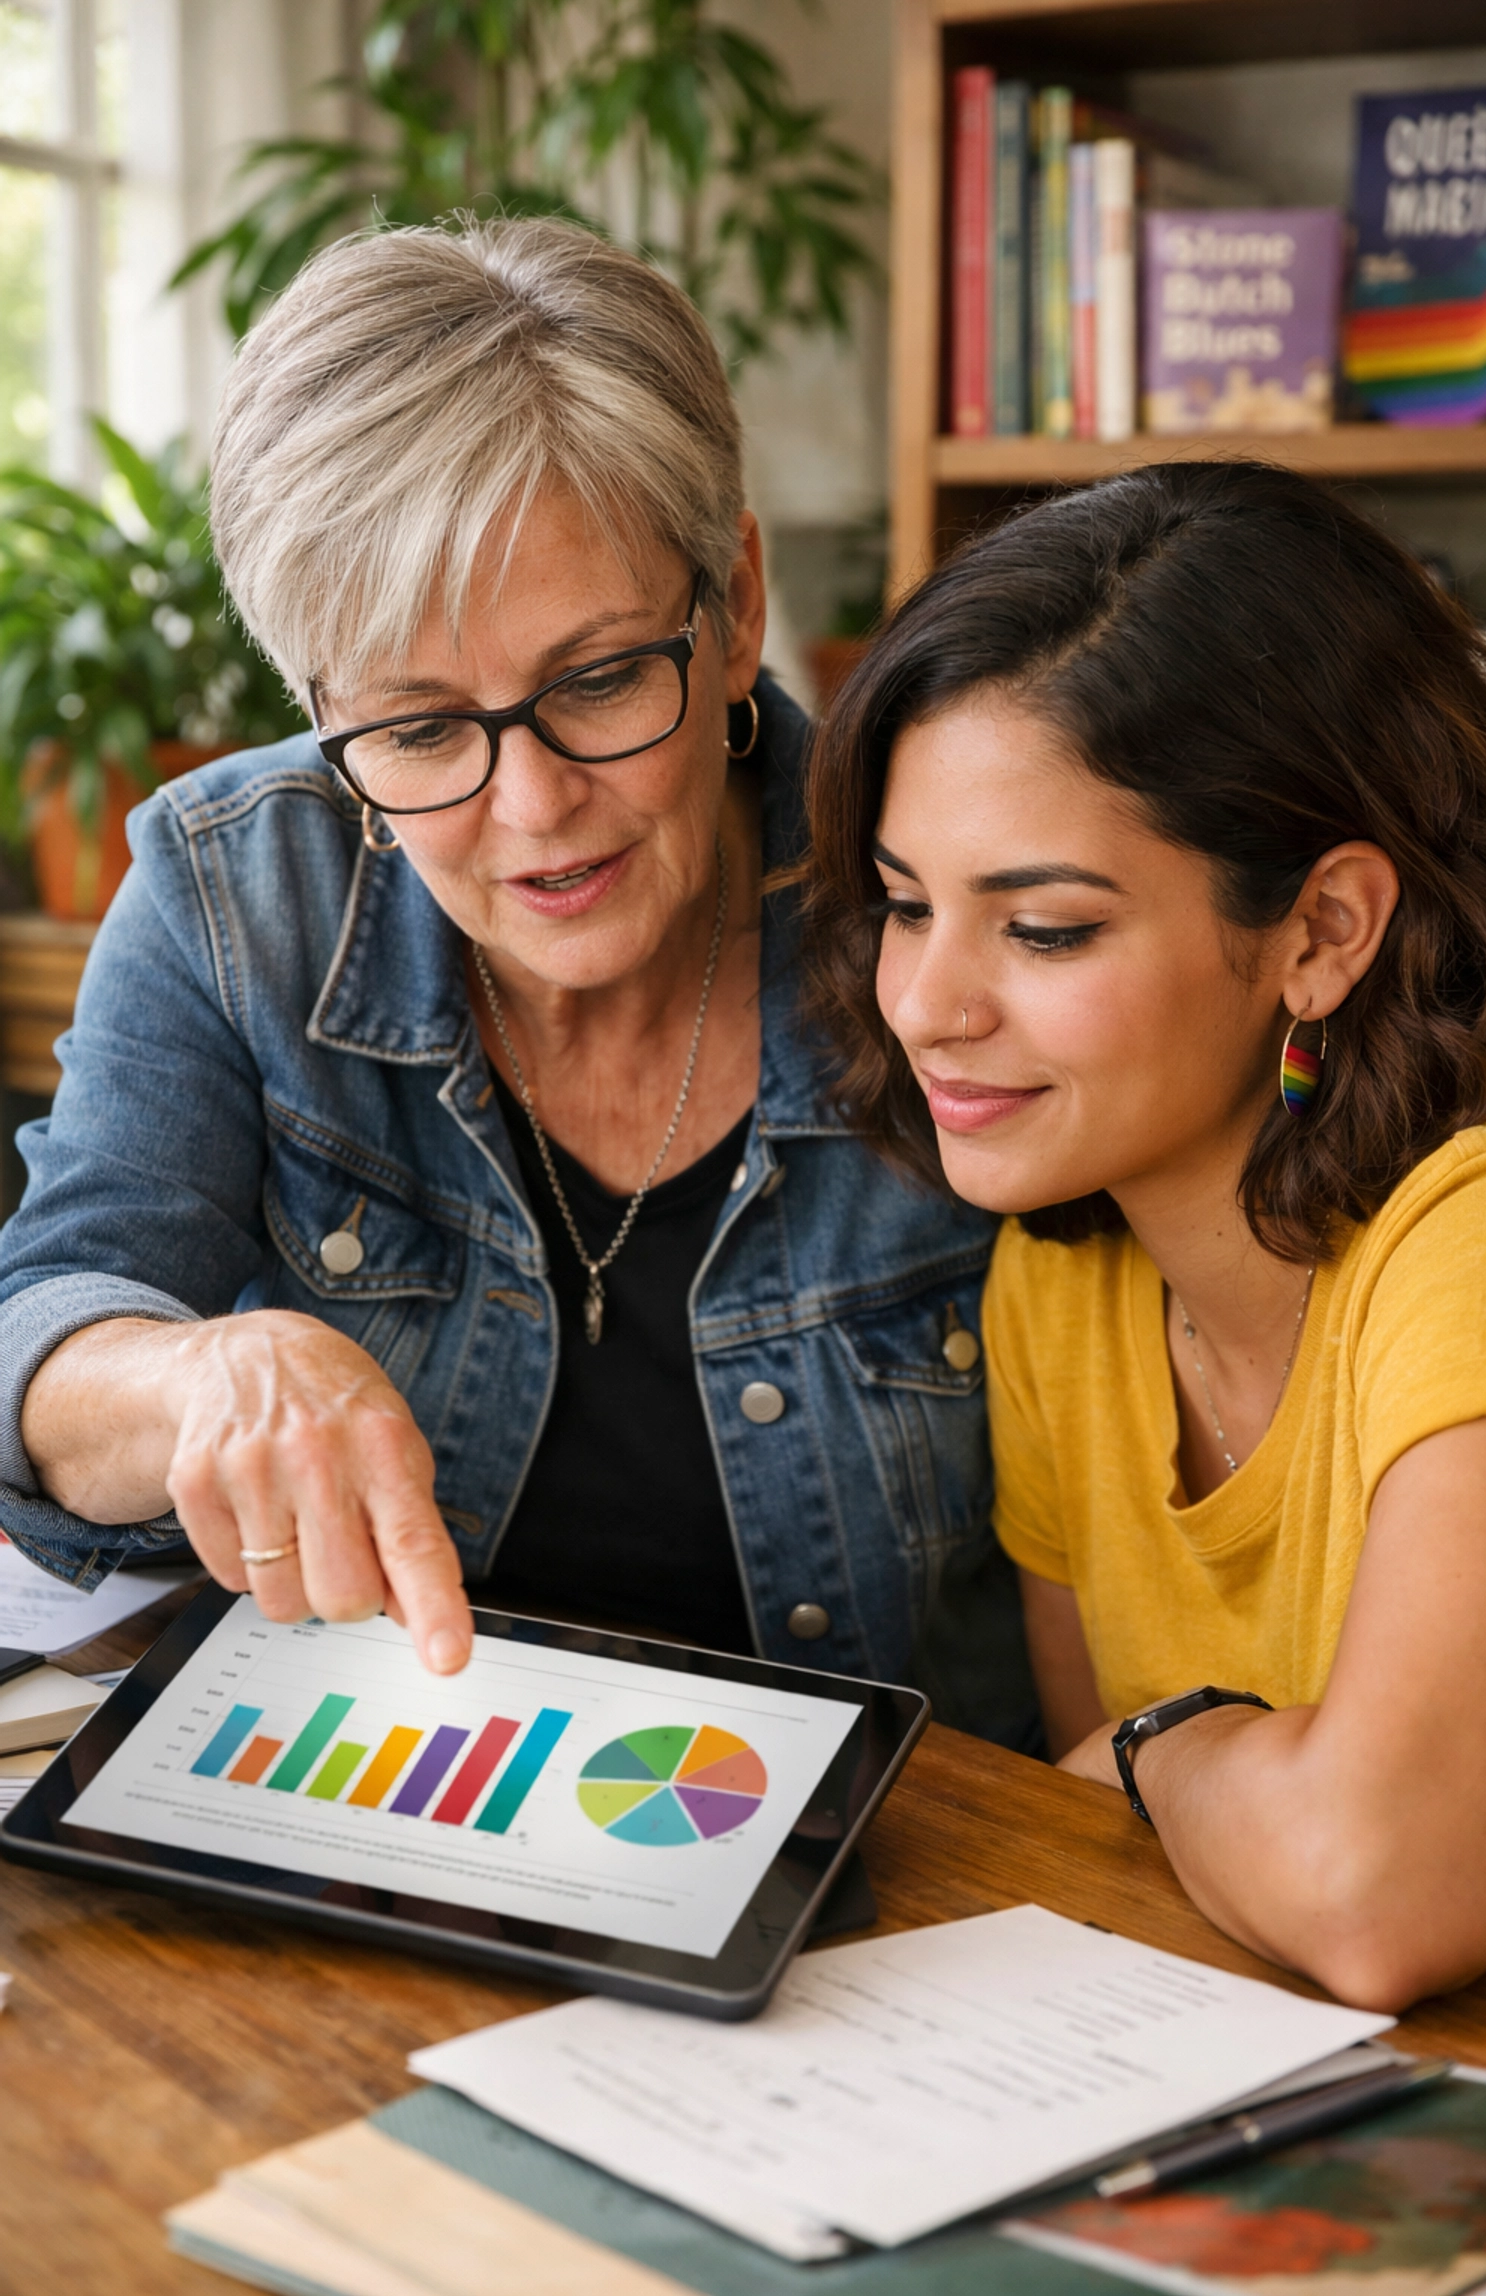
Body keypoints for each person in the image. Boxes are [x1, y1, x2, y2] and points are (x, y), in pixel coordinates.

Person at [0, 217, 1033, 1748]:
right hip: (391, 1825)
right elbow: (47, 1327)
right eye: (418, 731)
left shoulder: (948, 906)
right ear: (321, 708)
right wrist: (201, 1374)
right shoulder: (240, 896)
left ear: (735, 604)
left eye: (601, 678)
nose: (534, 808)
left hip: (895, 1873)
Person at [800, 459, 1486, 2009]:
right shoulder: (1061, 1283)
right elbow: (1145, 1872)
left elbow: (1372, 1892)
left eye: (1048, 927)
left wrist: (1167, 1738)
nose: (928, 1004)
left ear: (1323, 932)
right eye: (905, 903)